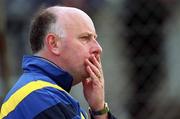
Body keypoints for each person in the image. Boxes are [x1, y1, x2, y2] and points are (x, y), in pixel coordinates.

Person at [0, 6, 117, 119]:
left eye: (95, 38)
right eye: (85, 38)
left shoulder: (43, 92)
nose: (98, 48)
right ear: (53, 44)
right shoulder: (41, 96)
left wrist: (99, 109)